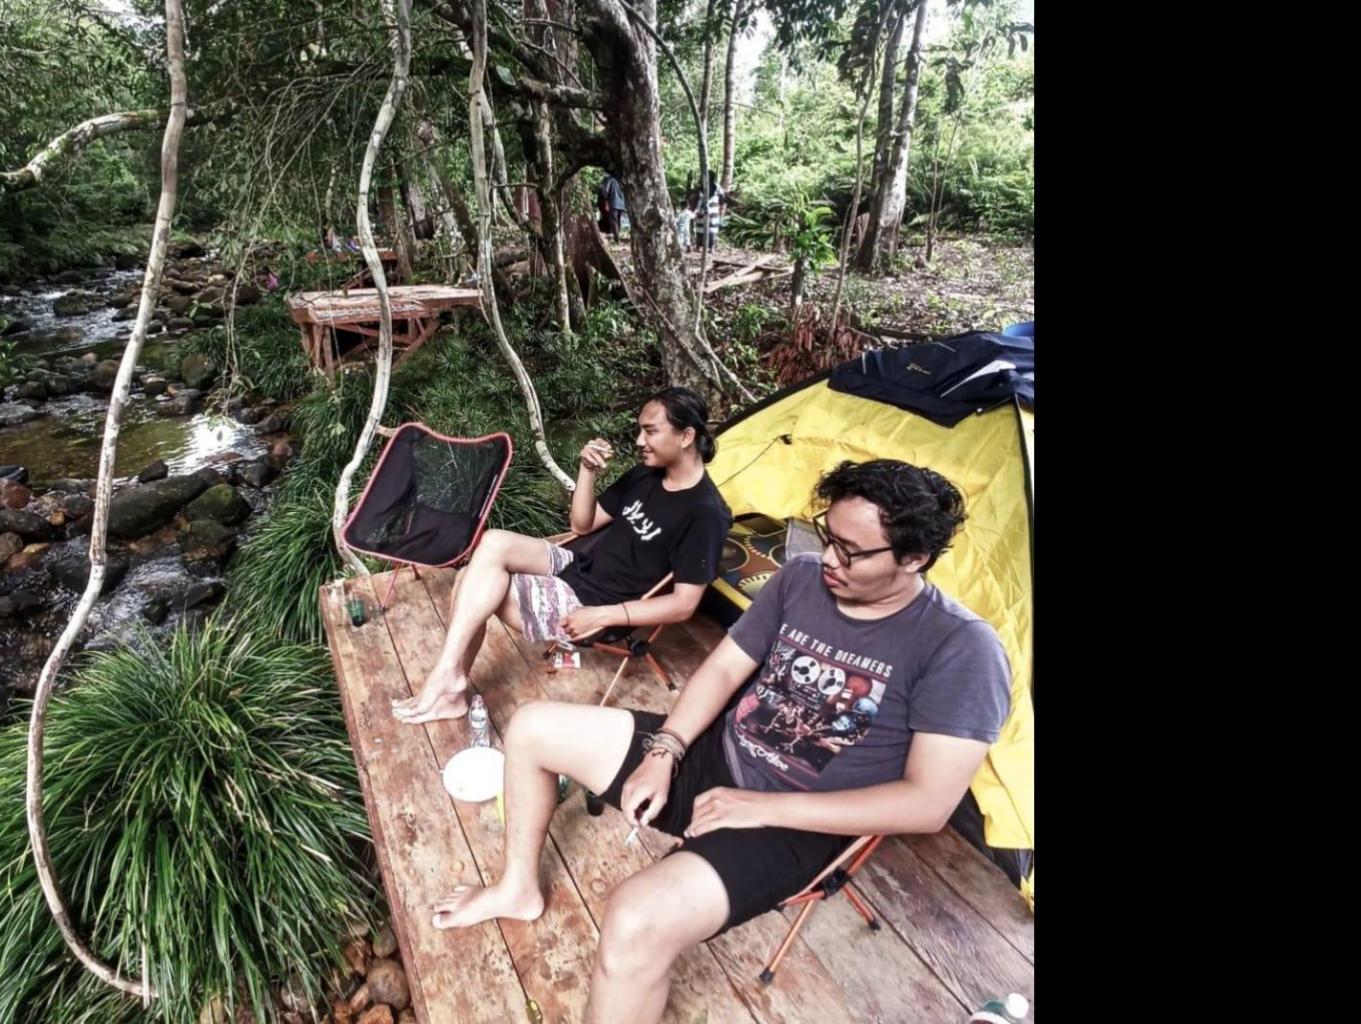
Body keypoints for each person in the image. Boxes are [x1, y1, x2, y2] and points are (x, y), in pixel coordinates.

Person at [428, 458, 1012, 1023]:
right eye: (827, 536)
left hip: (799, 821)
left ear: (914, 558)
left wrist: (756, 807)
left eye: (851, 551)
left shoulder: (960, 648)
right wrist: (666, 751)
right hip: (717, 753)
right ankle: (518, 889)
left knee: (635, 919)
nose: (830, 559)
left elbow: (927, 804)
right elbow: (725, 669)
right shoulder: (802, 578)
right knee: (532, 727)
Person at [391, 387, 732, 725]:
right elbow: (582, 525)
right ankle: (449, 678)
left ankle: (447, 684)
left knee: (474, 581)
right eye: (640, 430)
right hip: (580, 566)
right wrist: (587, 471)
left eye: (650, 431)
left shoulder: (706, 514)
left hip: (596, 606)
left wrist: (602, 615)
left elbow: (684, 604)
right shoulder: (645, 474)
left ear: (686, 436)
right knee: (492, 543)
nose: (640, 441)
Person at [597, 172, 627, 243]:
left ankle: (617, 240)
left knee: (614, 222)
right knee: (618, 221)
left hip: (613, 203)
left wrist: (606, 202)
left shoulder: (610, 179)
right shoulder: (622, 180)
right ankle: (617, 237)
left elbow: (604, 190)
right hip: (621, 204)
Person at [701, 171, 725, 251]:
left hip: (709, 210)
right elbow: (722, 199)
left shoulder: (715, 187)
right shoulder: (703, 186)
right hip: (710, 210)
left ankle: (709, 247)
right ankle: (710, 247)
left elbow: (722, 199)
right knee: (710, 229)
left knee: (709, 229)